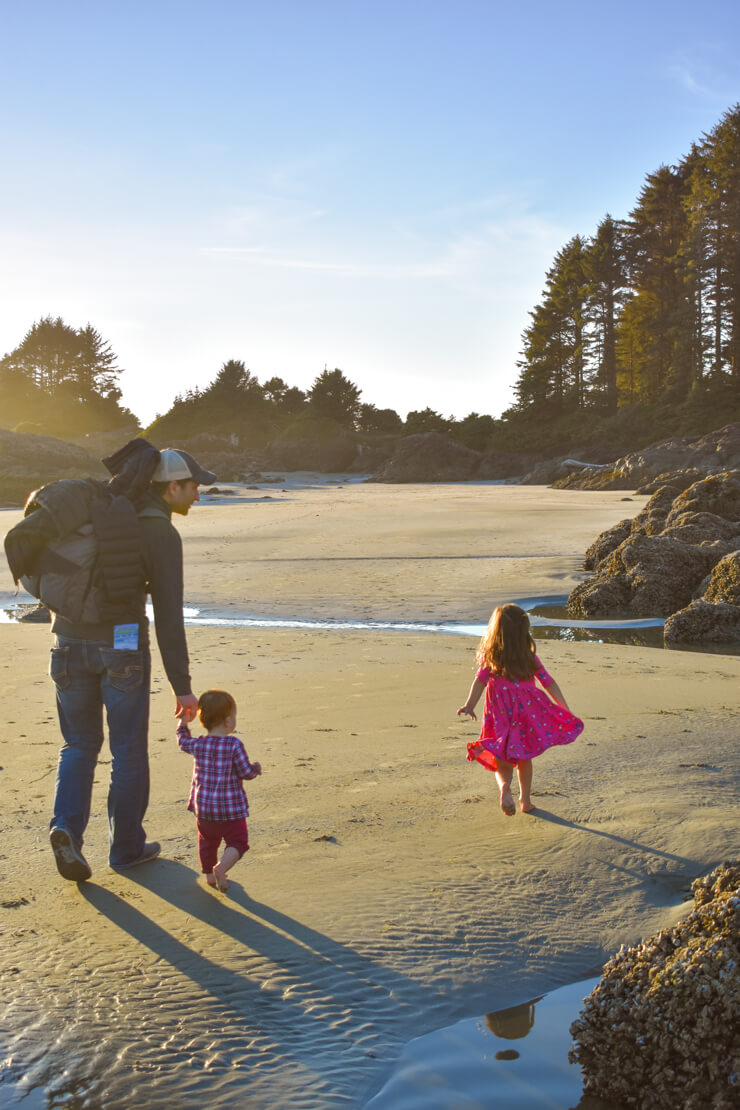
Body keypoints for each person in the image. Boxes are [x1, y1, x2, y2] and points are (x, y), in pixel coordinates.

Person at [48, 446, 217, 881]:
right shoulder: (159, 533)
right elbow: (168, 614)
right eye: (194, 486)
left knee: (79, 745)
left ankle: (65, 828)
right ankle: (125, 849)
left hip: (66, 643)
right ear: (171, 487)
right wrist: (182, 685)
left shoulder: (99, 516)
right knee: (127, 751)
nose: (198, 494)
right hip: (120, 649)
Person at [457, 603, 583, 816]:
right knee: (525, 757)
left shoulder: (491, 657)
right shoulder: (528, 657)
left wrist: (469, 705)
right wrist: (564, 708)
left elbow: (479, 682)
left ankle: (505, 788)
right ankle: (525, 800)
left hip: (499, 715)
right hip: (527, 715)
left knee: (501, 757)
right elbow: (548, 682)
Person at [177, 689, 262, 891]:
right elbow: (244, 772)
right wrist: (255, 770)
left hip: (204, 809)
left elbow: (182, 741)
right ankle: (221, 868)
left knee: (207, 841)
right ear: (227, 721)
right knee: (239, 842)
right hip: (230, 811)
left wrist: (183, 722)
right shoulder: (234, 744)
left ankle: (209, 875)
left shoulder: (199, 744)